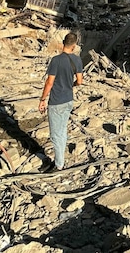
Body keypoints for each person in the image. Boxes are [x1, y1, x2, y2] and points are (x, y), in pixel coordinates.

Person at [39, 32, 83, 171]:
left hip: (56, 101)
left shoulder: (56, 60)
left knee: (55, 135)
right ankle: (60, 160)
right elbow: (80, 81)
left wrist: (42, 99)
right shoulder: (77, 60)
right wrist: (72, 85)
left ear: (63, 43)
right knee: (62, 130)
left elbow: (49, 82)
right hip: (68, 100)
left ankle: (59, 165)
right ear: (74, 45)